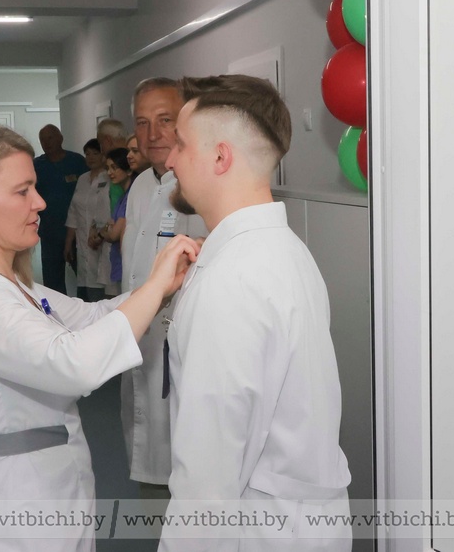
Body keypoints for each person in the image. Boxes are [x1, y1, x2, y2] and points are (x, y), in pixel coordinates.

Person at [0, 120, 199, 551]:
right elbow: (74, 364)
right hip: (3, 510)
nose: (40, 202)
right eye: (22, 191)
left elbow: (92, 316)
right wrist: (154, 288)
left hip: (40, 492)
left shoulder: (9, 285)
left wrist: (164, 283)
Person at [159, 76, 352, 549]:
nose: (168, 160)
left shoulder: (232, 280)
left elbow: (207, 480)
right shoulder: (285, 250)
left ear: (220, 158)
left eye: (180, 144)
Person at [120, 77, 209, 507]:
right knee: (152, 483)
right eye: (142, 122)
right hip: (140, 350)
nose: (152, 134)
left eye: (165, 120)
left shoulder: (199, 185)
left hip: (184, 359)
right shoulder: (140, 186)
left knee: (192, 485)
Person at [33, 124, 88, 294]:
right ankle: (56, 311)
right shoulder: (37, 166)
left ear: (60, 138)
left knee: (86, 279)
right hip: (50, 232)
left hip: (79, 231)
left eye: (50, 138)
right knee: (52, 283)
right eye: (43, 140)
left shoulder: (77, 162)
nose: (47, 143)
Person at [65, 138, 110, 302]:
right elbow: (73, 212)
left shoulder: (109, 177)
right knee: (84, 287)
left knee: (101, 287)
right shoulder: (82, 179)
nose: (90, 158)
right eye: (87, 154)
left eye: (95, 153)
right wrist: (68, 243)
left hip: (101, 239)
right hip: (82, 240)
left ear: (103, 155)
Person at [93, 147, 134, 294]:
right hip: (118, 261)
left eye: (114, 168)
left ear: (128, 170)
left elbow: (114, 234)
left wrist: (105, 232)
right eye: (108, 168)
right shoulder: (123, 196)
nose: (110, 172)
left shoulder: (131, 196)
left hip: (127, 263)